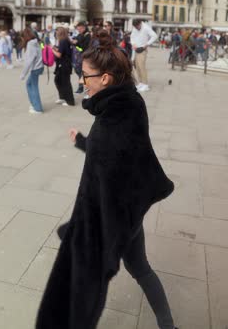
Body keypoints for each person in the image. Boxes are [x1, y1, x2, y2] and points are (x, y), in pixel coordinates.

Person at [36, 31, 177, 329]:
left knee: (88, 287)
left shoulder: (111, 123)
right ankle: (168, 325)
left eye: (86, 76)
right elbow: (118, 157)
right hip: (131, 214)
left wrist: (93, 237)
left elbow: (108, 170)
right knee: (140, 269)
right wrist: (83, 142)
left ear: (106, 79)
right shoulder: (129, 105)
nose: (82, 81)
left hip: (112, 222)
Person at [20, 27, 44, 114]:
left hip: (35, 67)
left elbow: (29, 60)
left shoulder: (30, 44)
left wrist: (23, 74)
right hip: (39, 66)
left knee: (33, 87)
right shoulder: (37, 41)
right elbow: (43, 48)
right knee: (29, 84)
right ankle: (34, 104)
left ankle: (37, 108)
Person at [130, 19, 158, 92]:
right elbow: (132, 37)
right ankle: (141, 83)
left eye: (137, 26)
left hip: (142, 49)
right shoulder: (135, 28)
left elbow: (155, 36)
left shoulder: (146, 28)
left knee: (141, 66)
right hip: (136, 49)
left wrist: (147, 44)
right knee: (137, 67)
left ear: (140, 23)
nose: (136, 28)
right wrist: (133, 44)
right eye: (135, 27)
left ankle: (145, 84)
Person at [52, 27, 75, 107]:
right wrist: (56, 48)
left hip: (64, 64)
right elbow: (63, 51)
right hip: (65, 64)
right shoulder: (66, 40)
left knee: (65, 82)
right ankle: (62, 97)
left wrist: (52, 50)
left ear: (60, 33)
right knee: (58, 80)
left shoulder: (63, 41)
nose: (56, 33)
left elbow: (59, 55)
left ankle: (70, 101)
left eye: (57, 32)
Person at [71, 21, 91, 93]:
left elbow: (84, 47)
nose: (78, 31)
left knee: (83, 73)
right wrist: (74, 40)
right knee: (80, 72)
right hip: (80, 57)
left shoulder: (87, 35)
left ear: (83, 28)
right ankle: (83, 88)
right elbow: (75, 38)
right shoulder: (81, 34)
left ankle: (84, 88)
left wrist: (77, 44)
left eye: (79, 29)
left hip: (85, 57)